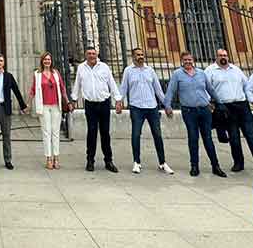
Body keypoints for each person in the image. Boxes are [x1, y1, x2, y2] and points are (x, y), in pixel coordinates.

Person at [205, 48, 253, 174]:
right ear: (216, 57)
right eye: (220, 55)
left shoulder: (236, 69)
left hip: (242, 106)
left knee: (252, 137)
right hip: (226, 107)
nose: (223, 57)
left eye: (225, 55)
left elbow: (247, 87)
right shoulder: (210, 70)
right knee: (234, 138)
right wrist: (210, 103)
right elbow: (206, 88)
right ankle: (238, 163)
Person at [165, 51, 226, 178]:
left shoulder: (201, 73)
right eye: (185, 60)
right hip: (189, 111)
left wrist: (220, 103)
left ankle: (215, 166)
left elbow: (210, 89)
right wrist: (167, 105)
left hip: (205, 110)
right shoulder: (177, 74)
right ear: (182, 61)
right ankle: (194, 166)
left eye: (189, 59)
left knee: (208, 138)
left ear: (193, 60)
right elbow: (171, 90)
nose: (188, 62)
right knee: (193, 138)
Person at [119, 47, 173, 175]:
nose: (141, 56)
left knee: (157, 135)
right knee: (136, 134)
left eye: (142, 54)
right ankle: (136, 162)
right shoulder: (128, 71)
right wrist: (119, 102)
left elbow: (158, 90)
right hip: (136, 107)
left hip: (152, 107)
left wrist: (167, 105)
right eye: (138, 55)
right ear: (133, 57)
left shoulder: (150, 70)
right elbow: (123, 88)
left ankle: (162, 163)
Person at [71, 46, 123, 173]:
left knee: (105, 133)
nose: (91, 56)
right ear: (85, 55)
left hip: (104, 103)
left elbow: (112, 83)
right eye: (89, 53)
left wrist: (118, 99)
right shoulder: (81, 68)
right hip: (90, 104)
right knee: (91, 133)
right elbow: (77, 84)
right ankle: (90, 160)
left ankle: (108, 161)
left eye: (93, 53)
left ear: (97, 54)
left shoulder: (104, 67)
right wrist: (73, 100)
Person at [28, 52, 69, 170]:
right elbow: (33, 90)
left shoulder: (56, 73)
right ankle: (48, 158)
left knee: (55, 132)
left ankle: (56, 157)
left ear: (51, 61)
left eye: (49, 59)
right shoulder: (37, 74)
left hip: (56, 106)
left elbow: (62, 88)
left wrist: (68, 102)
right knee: (46, 132)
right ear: (42, 61)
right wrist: (28, 104)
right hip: (44, 106)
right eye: (45, 59)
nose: (47, 61)